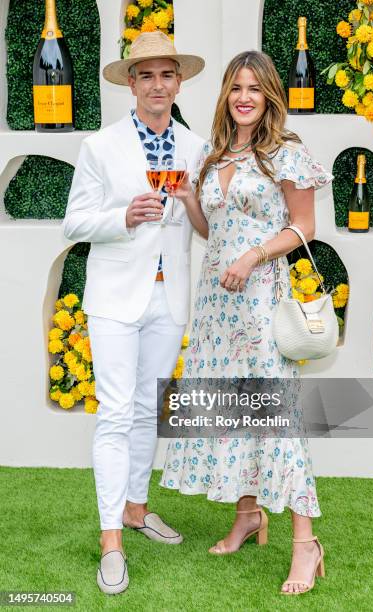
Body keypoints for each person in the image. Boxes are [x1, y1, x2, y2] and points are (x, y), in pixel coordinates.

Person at [160, 50, 333, 595]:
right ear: (226, 96)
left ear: (269, 96)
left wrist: (254, 256)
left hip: (259, 298)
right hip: (216, 303)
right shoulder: (214, 158)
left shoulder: (286, 154)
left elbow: (304, 226)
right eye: (236, 87)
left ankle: (306, 545)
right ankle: (247, 515)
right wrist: (190, 199)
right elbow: (213, 232)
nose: (244, 97)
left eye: (254, 89)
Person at [62, 32, 205, 595]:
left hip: (170, 298)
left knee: (148, 409)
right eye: (145, 75)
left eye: (166, 74)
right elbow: (74, 223)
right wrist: (124, 216)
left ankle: (137, 510)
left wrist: (191, 199)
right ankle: (110, 542)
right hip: (116, 297)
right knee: (117, 413)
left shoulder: (196, 149)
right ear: (130, 83)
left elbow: (204, 231)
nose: (157, 85)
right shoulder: (101, 147)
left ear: (179, 81)